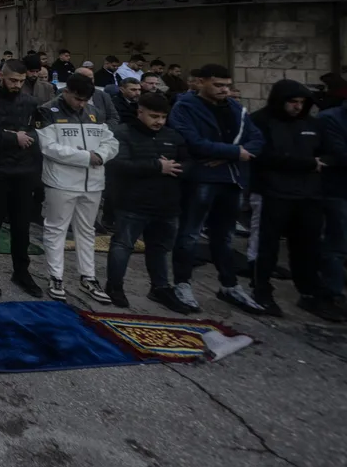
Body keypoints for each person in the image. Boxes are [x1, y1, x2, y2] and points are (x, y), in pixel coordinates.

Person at [166, 64, 265, 314]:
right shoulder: (185, 107)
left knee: (225, 236)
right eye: (218, 85)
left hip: (231, 178)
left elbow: (257, 139)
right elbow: (194, 143)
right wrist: (235, 152)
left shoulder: (235, 108)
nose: (224, 90)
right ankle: (182, 283)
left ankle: (229, 284)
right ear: (201, 82)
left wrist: (230, 155)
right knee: (190, 233)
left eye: (227, 85)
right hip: (202, 178)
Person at [249, 80, 342, 321]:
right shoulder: (262, 120)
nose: (297, 107)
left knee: (307, 247)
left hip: (309, 194)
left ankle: (310, 293)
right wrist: (308, 164)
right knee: (267, 247)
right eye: (293, 102)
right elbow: (263, 155)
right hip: (273, 193)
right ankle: (261, 291)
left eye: (301, 103)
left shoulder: (312, 124)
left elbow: (330, 152)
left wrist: (322, 162)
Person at [105, 92, 195, 312]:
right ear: (140, 112)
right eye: (154, 116)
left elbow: (189, 164)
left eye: (163, 117)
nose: (159, 122)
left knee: (160, 249)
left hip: (166, 204)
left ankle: (160, 288)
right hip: (132, 203)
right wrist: (157, 167)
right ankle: (114, 286)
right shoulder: (122, 133)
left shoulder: (173, 136)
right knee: (122, 246)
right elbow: (118, 164)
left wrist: (175, 168)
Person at [36, 73, 120, 302]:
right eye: (77, 98)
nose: (81, 104)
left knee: (87, 231)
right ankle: (55, 276)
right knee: (56, 229)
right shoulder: (47, 111)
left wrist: (101, 156)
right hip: (61, 181)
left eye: (85, 100)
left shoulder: (94, 112)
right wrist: (86, 157)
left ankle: (88, 277)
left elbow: (111, 142)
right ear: (66, 92)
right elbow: (48, 147)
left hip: (92, 181)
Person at [0, 60, 43, 297]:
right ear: (1, 76)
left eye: (21, 81)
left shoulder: (30, 102)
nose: (17, 85)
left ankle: (21, 271)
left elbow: (37, 133)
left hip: (23, 173)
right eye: (13, 80)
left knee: (22, 228)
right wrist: (12, 138)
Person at [320, 100, 347, 312]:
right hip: (338, 189)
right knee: (337, 242)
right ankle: (333, 292)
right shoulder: (331, 118)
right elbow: (339, 153)